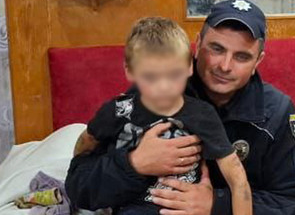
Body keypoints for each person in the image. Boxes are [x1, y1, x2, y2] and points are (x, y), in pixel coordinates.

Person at [66, 0, 295, 215]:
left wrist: (216, 204)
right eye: (216, 49)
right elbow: (79, 188)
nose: (225, 66)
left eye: (242, 56)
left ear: (258, 61)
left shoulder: (277, 112)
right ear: (198, 44)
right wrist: (133, 164)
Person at [71, 17, 252, 215]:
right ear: (130, 70)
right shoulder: (117, 110)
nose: (163, 87)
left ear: (189, 67)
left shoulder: (202, 114)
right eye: (150, 76)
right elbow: (86, 143)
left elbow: (238, 180)